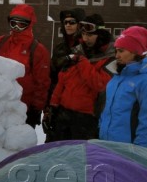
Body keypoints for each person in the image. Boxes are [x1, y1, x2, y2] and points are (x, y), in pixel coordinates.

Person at [45, 14, 114, 142]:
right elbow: (62, 80)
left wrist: (82, 62)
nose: (85, 38)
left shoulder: (111, 57)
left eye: (90, 35)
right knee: (58, 150)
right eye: (83, 34)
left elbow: (99, 84)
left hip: (87, 117)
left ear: (100, 35)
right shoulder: (78, 51)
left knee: (79, 153)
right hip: (64, 113)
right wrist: (53, 106)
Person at [99, 26, 147, 147]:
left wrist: (138, 151)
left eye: (121, 51)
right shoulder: (116, 77)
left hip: (127, 148)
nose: (117, 55)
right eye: (116, 51)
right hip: (105, 143)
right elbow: (107, 110)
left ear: (136, 52)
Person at [0, 4, 51, 128]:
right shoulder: (1, 42)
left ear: (29, 24)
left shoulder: (38, 50)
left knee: (19, 139)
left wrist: (36, 108)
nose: (17, 27)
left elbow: (42, 83)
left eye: (21, 24)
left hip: (24, 108)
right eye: (13, 23)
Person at [49, 8, 86, 101]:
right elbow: (52, 74)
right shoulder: (60, 47)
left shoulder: (86, 46)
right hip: (60, 98)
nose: (68, 25)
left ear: (80, 24)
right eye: (65, 22)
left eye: (72, 22)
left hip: (80, 99)